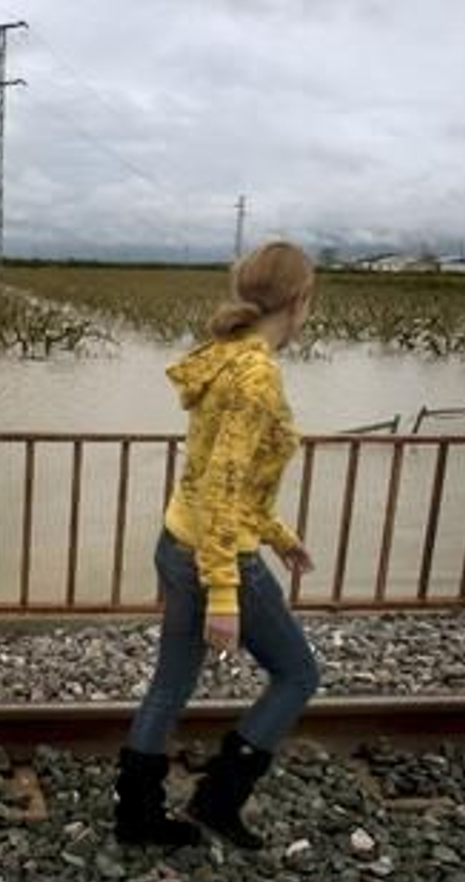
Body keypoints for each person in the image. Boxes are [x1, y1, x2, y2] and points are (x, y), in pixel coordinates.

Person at [113, 240, 322, 850]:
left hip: (179, 541)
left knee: (170, 687)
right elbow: (225, 486)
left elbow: (215, 476)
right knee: (298, 675)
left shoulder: (225, 358)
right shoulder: (256, 374)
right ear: (299, 300)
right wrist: (226, 592)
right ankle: (219, 800)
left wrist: (279, 536)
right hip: (214, 555)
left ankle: (138, 818)